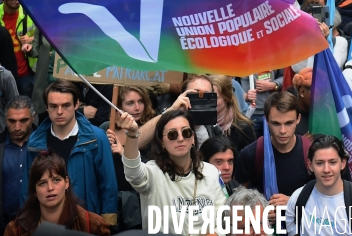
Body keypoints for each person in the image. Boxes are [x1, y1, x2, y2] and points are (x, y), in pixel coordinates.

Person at [118, 107, 226, 236]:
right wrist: (132, 134)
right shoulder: (153, 172)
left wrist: (215, 233)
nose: (180, 138)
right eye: (172, 134)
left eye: (186, 132)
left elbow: (224, 215)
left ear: (193, 139)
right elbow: (133, 172)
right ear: (162, 142)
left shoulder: (211, 172)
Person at [21, 80, 117, 223]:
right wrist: (29, 221)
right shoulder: (35, 142)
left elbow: (108, 184)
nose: (59, 112)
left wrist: (106, 222)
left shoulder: (97, 138)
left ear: (76, 104)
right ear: (46, 107)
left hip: (87, 220)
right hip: (47, 222)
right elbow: (28, 186)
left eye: (66, 105)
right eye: (53, 106)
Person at [235, 92, 311, 219]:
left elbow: (326, 199)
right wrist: (259, 212)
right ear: (266, 121)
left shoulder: (310, 152)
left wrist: (293, 202)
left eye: (288, 123)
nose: (282, 131)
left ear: (298, 119)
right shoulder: (251, 153)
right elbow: (237, 200)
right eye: (276, 123)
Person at [285, 135, 352, 236]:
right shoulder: (297, 199)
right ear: (310, 165)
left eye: (332, 162)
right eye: (320, 163)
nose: (326, 169)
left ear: (342, 163)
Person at [5, 152, 110, 236]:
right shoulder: (16, 230)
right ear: (34, 190)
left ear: (66, 183)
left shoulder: (92, 225)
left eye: (56, 180)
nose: (50, 188)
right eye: (42, 183)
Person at [101, 86, 156, 232]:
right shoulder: (107, 128)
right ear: (118, 106)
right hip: (112, 199)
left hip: (138, 200)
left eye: (140, 101)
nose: (137, 108)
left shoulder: (150, 130)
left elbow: (153, 168)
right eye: (130, 103)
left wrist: (124, 151)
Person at [0, 96, 35, 230]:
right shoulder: (1, 147)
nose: (17, 127)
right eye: (12, 121)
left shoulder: (45, 144)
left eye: (23, 120)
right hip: (5, 224)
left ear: (33, 117)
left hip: (38, 223)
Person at [0, 0, 35, 97]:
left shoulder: (28, 12)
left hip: (25, 73)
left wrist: (31, 39)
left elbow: (45, 35)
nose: (17, 1)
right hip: (4, 72)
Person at [209, 75, 255, 152]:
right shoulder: (201, 125)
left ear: (226, 98)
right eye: (207, 96)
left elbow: (249, 160)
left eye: (214, 97)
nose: (210, 101)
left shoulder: (243, 128)